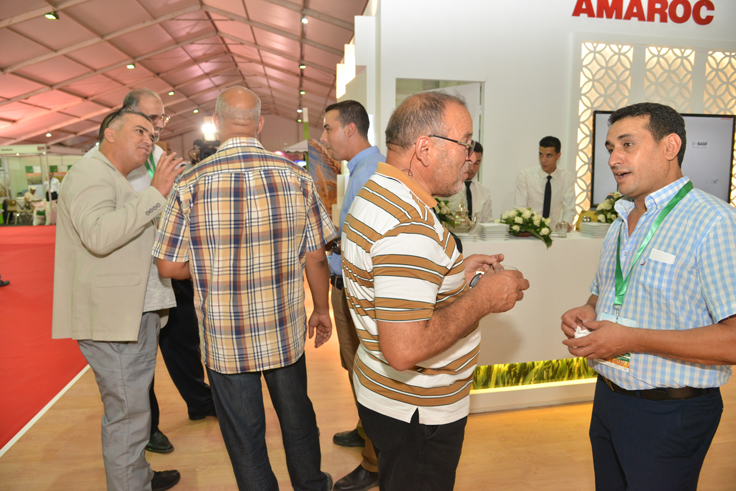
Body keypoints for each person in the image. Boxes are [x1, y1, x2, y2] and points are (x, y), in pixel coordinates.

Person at [341, 91, 530, 491]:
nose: (470, 157)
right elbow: (404, 349)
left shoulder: (379, 192)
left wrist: (452, 272)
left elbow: (387, 280)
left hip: (387, 395)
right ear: (425, 149)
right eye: (465, 143)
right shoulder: (408, 225)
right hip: (418, 411)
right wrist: (482, 299)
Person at [154, 87, 336, 491]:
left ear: (216, 123)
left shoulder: (189, 182)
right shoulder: (296, 176)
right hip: (283, 329)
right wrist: (322, 310)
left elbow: (168, 265)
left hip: (225, 336)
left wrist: (211, 265)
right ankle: (311, 484)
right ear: (260, 124)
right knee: (298, 418)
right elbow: (316, 257)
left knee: (245, 436)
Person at [561, 102, 736, 491]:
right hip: (609, 397)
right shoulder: (620, 221)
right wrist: (587, 311)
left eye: (628, 145)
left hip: (670, 411)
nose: (613, 159)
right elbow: (603, 296)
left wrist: (630, 338)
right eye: (610, 148)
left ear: (670, 146)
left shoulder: (714, 222)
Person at [52, 109, 184, 491]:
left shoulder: (112, 175)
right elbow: (98, 235)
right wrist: (155, 194)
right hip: (115, 318)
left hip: (130, 314)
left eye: (152, 134)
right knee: (127, 415)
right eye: (139, 130)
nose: (149, 140)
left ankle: (137, 477)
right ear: (109, 133)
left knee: (134, 410)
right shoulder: (90, 173)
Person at [86, 89, 217, 455]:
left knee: (183, 341)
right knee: (137, 365)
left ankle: (199, 401)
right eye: (149, 121)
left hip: (166, 267)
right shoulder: (103, 164)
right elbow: (104, 231)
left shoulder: (155, 154)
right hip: (132, 276)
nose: (156, 128)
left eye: (161, 120)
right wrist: (158, 192)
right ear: (126, 117)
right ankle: (148, 428)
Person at [319, 100, 382, 491]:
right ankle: (364, 430)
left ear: (350, 129)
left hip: (357, 290)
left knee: (366, 374)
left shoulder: (370, 172)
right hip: (348, 285)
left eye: (328, 128)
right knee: (356, 368)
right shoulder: (361, 168)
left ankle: (374, 461)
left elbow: (366, 242)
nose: (324, 137)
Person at [514, 136, 575, 230]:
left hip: (554, 233)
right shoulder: (525, 176)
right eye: (541, 154)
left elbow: (569, 209)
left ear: (558, 156)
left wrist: (565, 225)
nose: (543, 160)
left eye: (549, 155)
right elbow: (520, 208)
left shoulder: (567, 177)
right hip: (529, 232)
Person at [446, 141, 493, 222]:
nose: (471, 168)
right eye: (469, 162)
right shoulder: (445, 188)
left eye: (476, 163)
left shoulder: (484, 192)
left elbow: (487, 223)